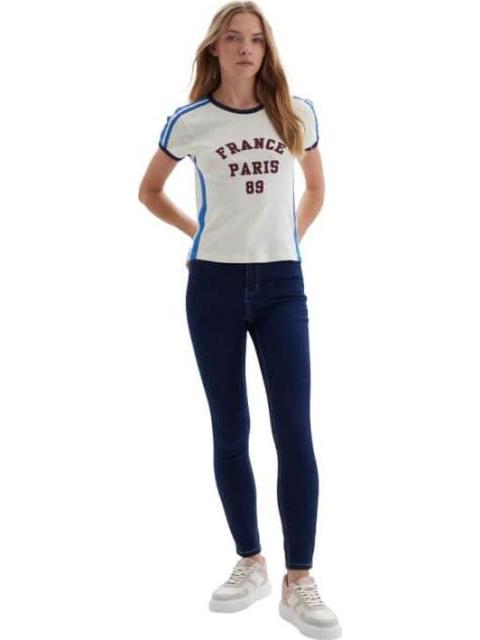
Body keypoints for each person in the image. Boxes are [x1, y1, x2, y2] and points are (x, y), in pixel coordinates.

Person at [138, 2, 341, 638]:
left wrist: (288, 240)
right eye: (233, 38)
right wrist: (195, 234)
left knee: (294, 430)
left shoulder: (296, 114)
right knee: (231, 428)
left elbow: (316, 189)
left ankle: (299, 579)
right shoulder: (191, 121)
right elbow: (149, 191)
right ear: (215, 49)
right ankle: (250, 561)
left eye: (256, 39)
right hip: (214, 287)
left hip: (282, 287)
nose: (246, 48)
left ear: (266, 49)